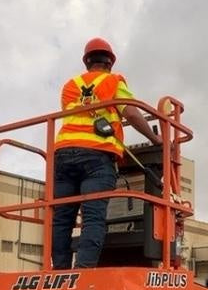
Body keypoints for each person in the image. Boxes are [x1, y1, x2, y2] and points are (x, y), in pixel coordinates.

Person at [51, 38, 162, 270]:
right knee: (93, 216)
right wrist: (156, 139)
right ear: (110, 62)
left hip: (63, 154)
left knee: (61, 219)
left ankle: (59, 272)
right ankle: (84, 271)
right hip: (96, 156)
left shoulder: (69, 86)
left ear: (87, 62)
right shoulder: (113, 81)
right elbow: (131, 114)